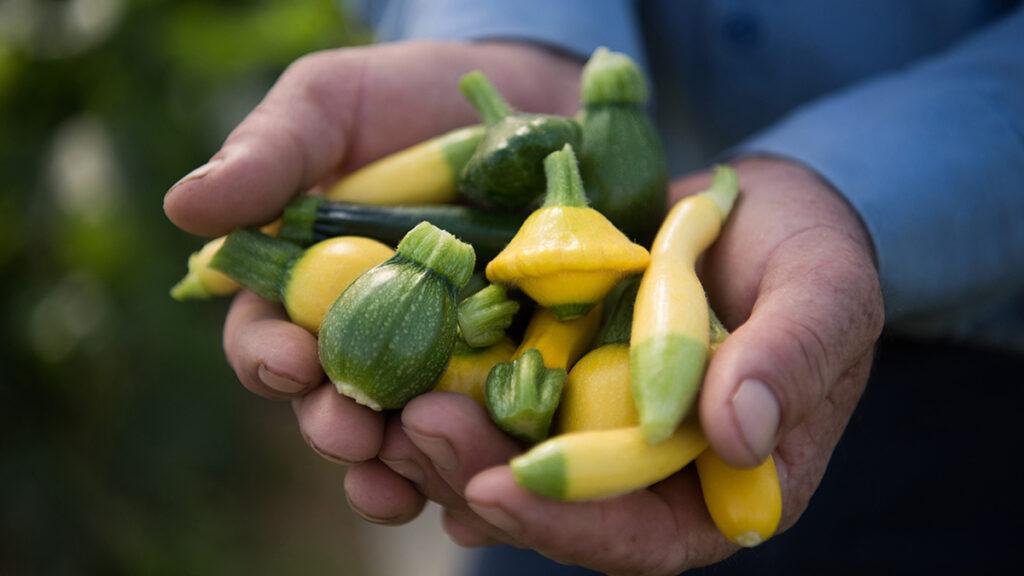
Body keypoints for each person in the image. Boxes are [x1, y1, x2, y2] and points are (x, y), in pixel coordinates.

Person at [163, 1, 1024, 573]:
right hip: (565, 472)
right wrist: (507, 29)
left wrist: (847, 187)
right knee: (522, 512)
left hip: (983, 387)